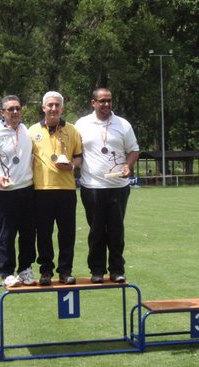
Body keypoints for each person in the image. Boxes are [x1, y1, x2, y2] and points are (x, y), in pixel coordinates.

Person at [75, 88, 139, 284]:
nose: (106, 105)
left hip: (119, 186)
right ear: (93, 103)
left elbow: (134, 150)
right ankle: (96, 270)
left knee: (116, 230)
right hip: (92, 186)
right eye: (102, 101)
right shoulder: (82, 124)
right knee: (96, 231)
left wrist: (128, 166)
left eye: (109, 101)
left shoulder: (123, 124)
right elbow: (75, 152)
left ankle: (117, 270)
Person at [0, 95, 36, 287]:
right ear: (2, 112)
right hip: (4, 193)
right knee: (6, 234)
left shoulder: (27, 131)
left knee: (28, 233)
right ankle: (7, 273)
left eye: (18, 108)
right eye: (10, 109)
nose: (15, 112)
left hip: (27, 190)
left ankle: (25, 270)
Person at [28, 91, 83, 285]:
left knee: (67, 232)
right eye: (49, 105)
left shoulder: (72, 130)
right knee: (43, 233)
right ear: (43, 108)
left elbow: (79, 156)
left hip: (66, 190)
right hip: (41, 190)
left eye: (57, 105)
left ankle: (65, 271)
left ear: (62, 108)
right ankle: (45, 272)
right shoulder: (32, 131)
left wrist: (73, 166)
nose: (53, 109)